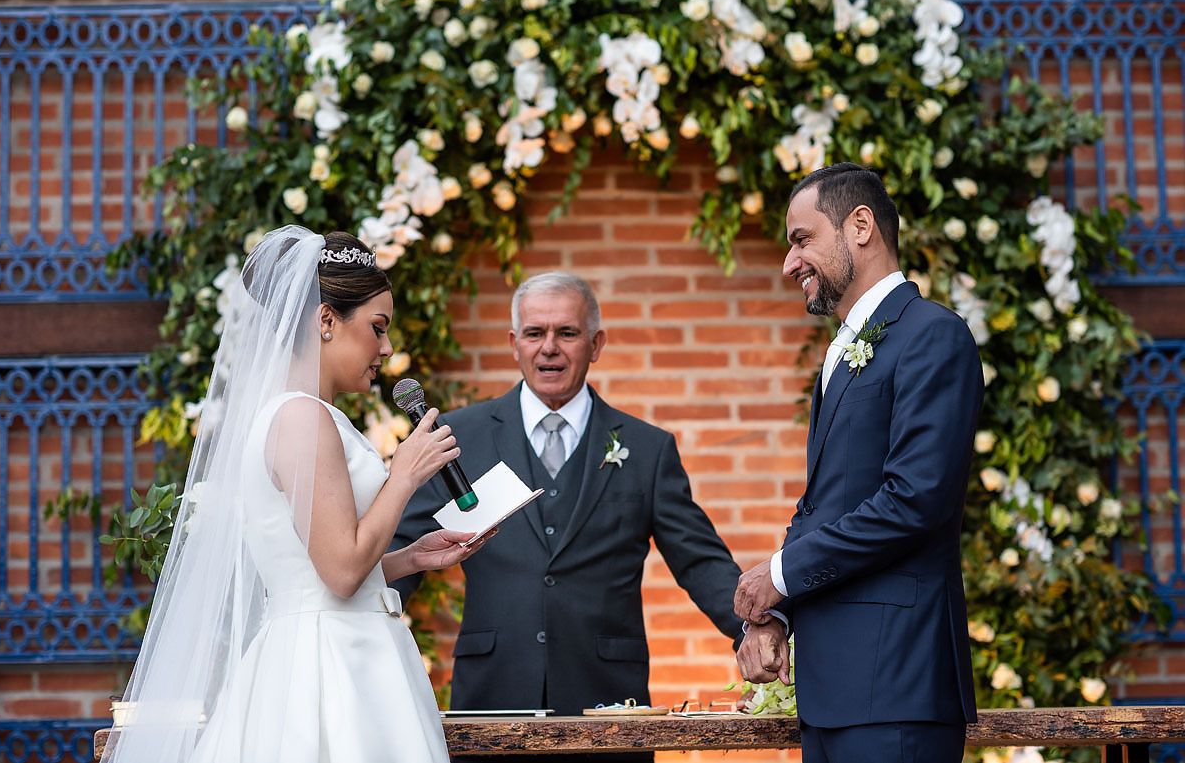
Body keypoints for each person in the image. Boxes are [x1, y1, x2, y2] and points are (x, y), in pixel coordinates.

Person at [105, 226, 493, 763]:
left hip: (334, 643)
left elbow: (311, 563)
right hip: (328, 664)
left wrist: (405, 559)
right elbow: (339, 572)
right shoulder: (302, 418)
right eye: (378, 328)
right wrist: (403, 473)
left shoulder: (303, 414)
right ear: (327, 321)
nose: (386, 348)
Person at [391, 271, 743, 761]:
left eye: (567, 333)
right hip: (493, 702)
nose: (549, 348)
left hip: (608, 705)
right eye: (535, 334)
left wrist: (754, 627)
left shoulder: (647, 448)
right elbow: (402, 551)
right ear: (514, 344)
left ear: (596, 344)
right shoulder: (458, 436)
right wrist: (356, 622)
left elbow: (700, 561)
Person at [732, 163, 982, 762]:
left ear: (861, 225)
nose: (790, 263)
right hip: (833, 693)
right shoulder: (840, 356)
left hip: (897, 685)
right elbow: (826, 503)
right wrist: (777, 615)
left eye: (802, 240)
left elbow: (915, 500)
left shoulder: (933, 336)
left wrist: (782, 574)